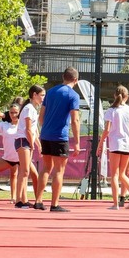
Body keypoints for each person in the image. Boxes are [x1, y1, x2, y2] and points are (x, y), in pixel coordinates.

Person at [34, 68, 81, 212]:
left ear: (63, 77)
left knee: (45, 168)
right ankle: (54, 204)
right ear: (76, 80)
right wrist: (77, 142)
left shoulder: (51, 92)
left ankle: (38, 201)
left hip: (46, 135)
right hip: (60, 136)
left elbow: (41, 117)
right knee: (59, 171)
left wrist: (47, 127)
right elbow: (75, 120)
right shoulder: (73, 95)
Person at [0, 100, 38, 205]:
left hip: (22, 158)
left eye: (16, 112)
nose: (13, 115)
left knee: (35, 175)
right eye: (11, 112)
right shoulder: (5, 125)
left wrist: (39, 147)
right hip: (8, 159)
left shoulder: (23, 125)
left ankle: (37, 201)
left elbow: (33, 134)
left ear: (20, 113)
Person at [97, 86, 129, 210]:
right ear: (127, 97)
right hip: (127, 144)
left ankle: (115, 204)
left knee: (115, 174)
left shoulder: (111, 110)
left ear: (115, 96)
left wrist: (100, 143)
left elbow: (107, 129)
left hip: (116, 143)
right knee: (122, 173)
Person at [13, 85, 45, 209]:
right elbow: (27, 130)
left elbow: (34, 131)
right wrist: (32, 144)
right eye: (41, 95)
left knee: (26, 171)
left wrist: (39, 145)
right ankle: (18, 200)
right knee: (24, 171)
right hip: (23, 141)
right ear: (34, 95)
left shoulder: (33, 109)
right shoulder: (28, 108)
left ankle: (24, 199)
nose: (43, 98)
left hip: (27, 141)